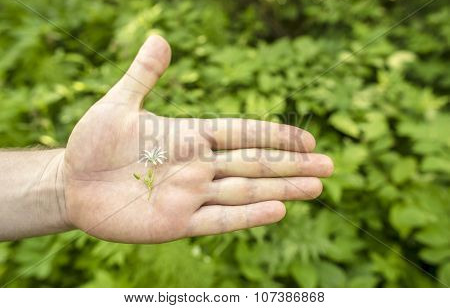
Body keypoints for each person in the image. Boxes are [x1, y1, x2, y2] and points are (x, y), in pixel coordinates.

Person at [0, 35, 333, 243]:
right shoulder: (149, 164)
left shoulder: (149, 161)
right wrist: (64, 184)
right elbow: (150, 162)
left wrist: (62, 182)